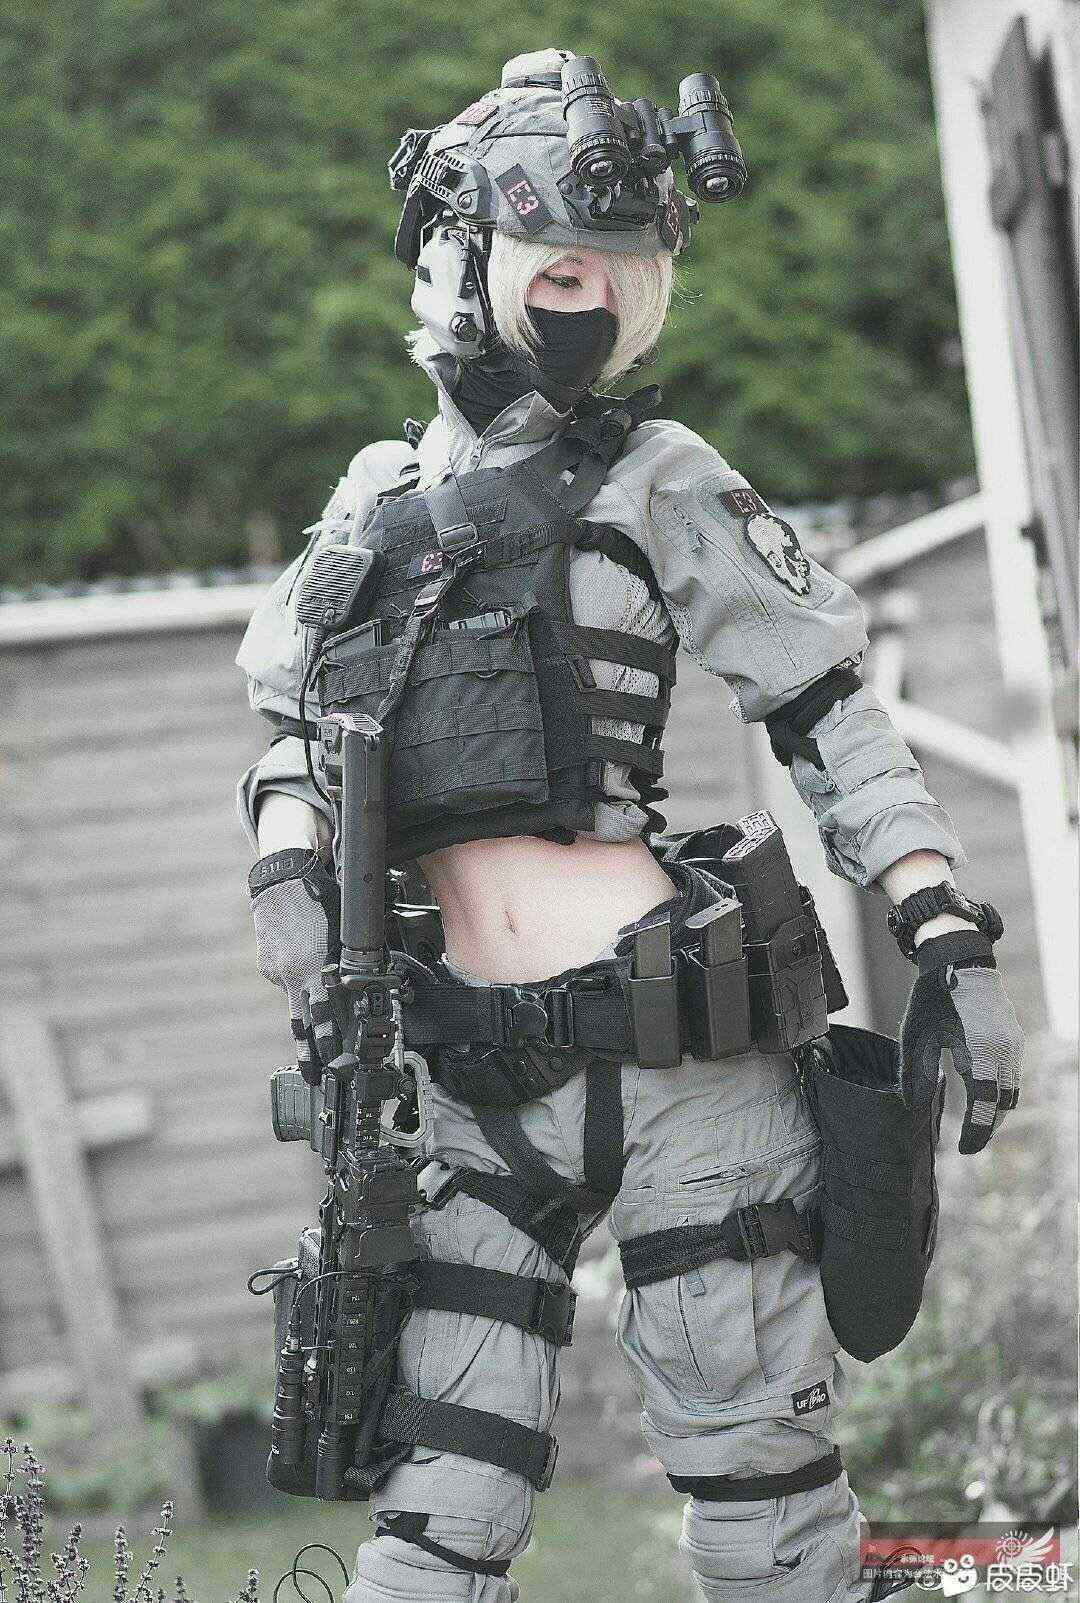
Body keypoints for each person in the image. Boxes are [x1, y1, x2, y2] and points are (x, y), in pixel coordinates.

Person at [236, 49, 1024, 1603]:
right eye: (561, 267)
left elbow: (826, 708)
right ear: (464, 252)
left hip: (685, 1063)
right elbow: (290, 732)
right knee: (435, 1513)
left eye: (619, 273)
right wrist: (282, 877)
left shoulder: (662, 478)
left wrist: (944, 928)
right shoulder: (369, 504)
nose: (592, 303)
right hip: (465, 1078)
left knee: (764, 1490)